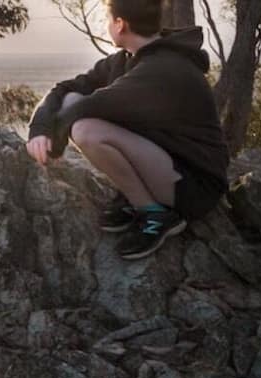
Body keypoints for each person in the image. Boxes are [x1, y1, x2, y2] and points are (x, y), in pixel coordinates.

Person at [24, 0, 231, 260]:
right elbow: (65, 90)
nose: (107, 25)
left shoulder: (165, 68)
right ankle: (136, 198)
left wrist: (50, 137)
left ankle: (154, 214)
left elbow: (90, 107)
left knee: (86, 130)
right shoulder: (124, 60)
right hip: (166, 163)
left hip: (195, 187)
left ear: (120, 24)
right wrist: (40, 127)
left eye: (107, 19)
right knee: (72, 99)